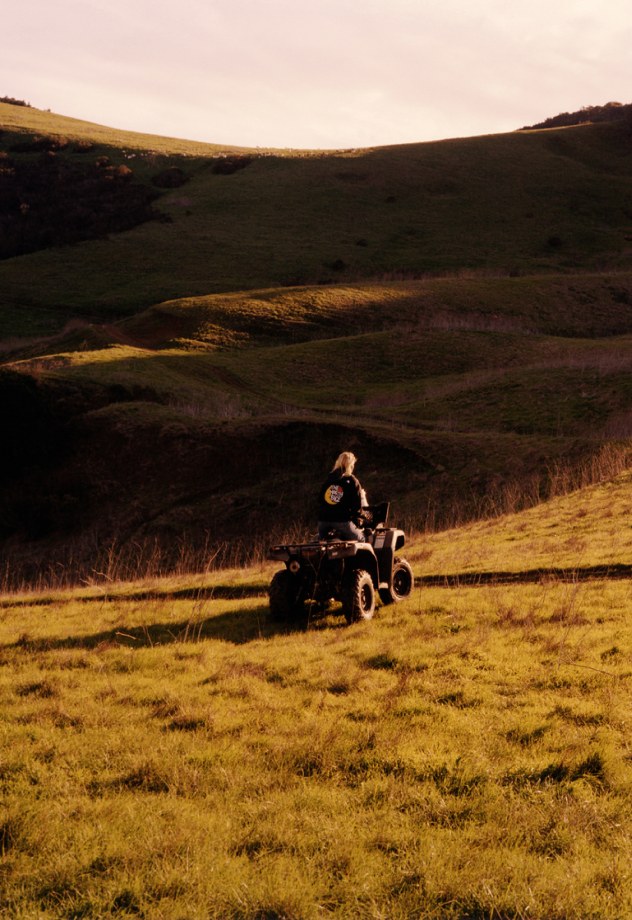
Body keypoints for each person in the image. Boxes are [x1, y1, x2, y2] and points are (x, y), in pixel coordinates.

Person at [317, 451, 367, 540]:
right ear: (351, 465)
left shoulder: (329, 479)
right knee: (361, 539)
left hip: (323, 521)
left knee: (322, 543)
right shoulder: (352, 481)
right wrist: (362, 516)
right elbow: (357, 507)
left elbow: (320, 499)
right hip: (341, 521)